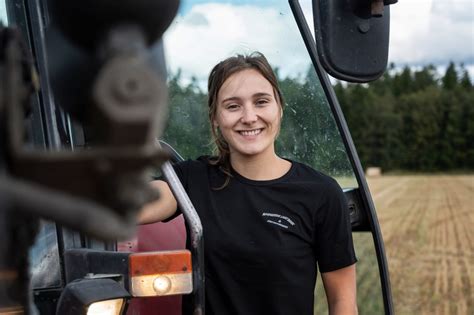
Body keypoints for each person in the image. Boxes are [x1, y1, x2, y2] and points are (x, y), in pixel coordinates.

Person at [139, 52, 358, 315]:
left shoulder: (321, 193)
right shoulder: (191, 180)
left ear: (279, 107)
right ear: (216, 118)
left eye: (261, 102)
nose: (249, 116)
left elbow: (342, 302)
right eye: (233, 106)